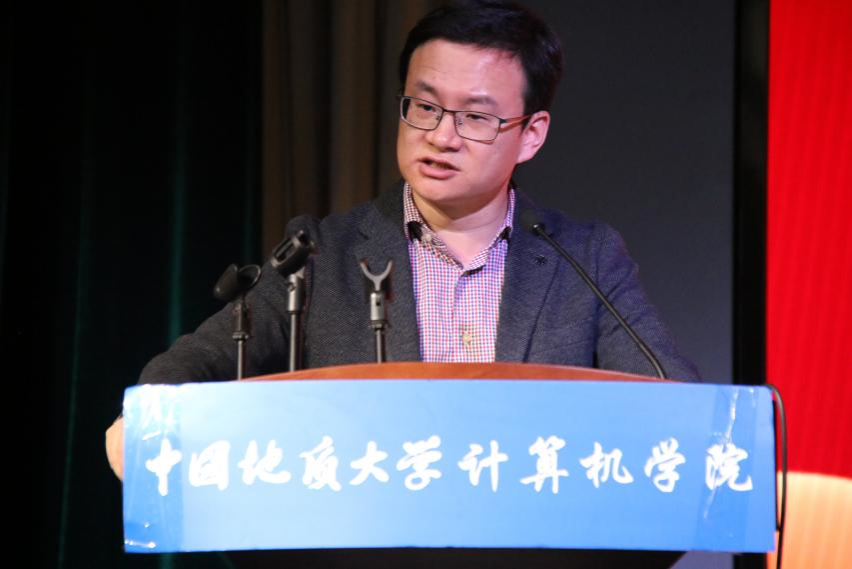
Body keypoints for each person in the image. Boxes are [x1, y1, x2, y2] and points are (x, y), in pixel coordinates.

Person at [106, 0, 699, 480]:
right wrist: (149, 419)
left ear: (531, 134)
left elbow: (678, 404)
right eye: (424, 106)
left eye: (475, 116)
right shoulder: (322, 253)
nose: (441, 136)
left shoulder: (585, 257)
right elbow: (192, 364)